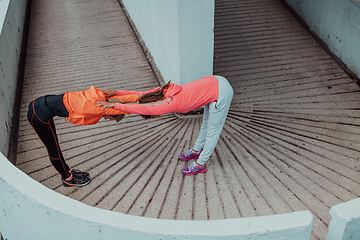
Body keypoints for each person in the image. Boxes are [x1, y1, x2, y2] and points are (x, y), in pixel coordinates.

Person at [96, 75, 233, 175]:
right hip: (214, 81)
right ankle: (196, 151)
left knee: (212, 130)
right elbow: (139, 95)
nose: (155, 115)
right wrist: (115, 93)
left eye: (152, 115)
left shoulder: (166, 104)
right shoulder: (161, 92)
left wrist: (113, 104)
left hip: (221, 93)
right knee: (205, 123)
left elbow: (138, 108)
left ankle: (200, 164)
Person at [27, 85, 139, 187]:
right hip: (38, 116)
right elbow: (129, 110)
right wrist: (152, 106)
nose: (108, 119)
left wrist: (143, 95)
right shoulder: (99, 108)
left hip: (39, 103)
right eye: (111, 118)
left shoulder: (100, 98)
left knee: (54, 146)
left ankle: (67, 171)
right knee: (53, 149)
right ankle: (68, 179)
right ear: (111, 114)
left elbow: (124, 99)